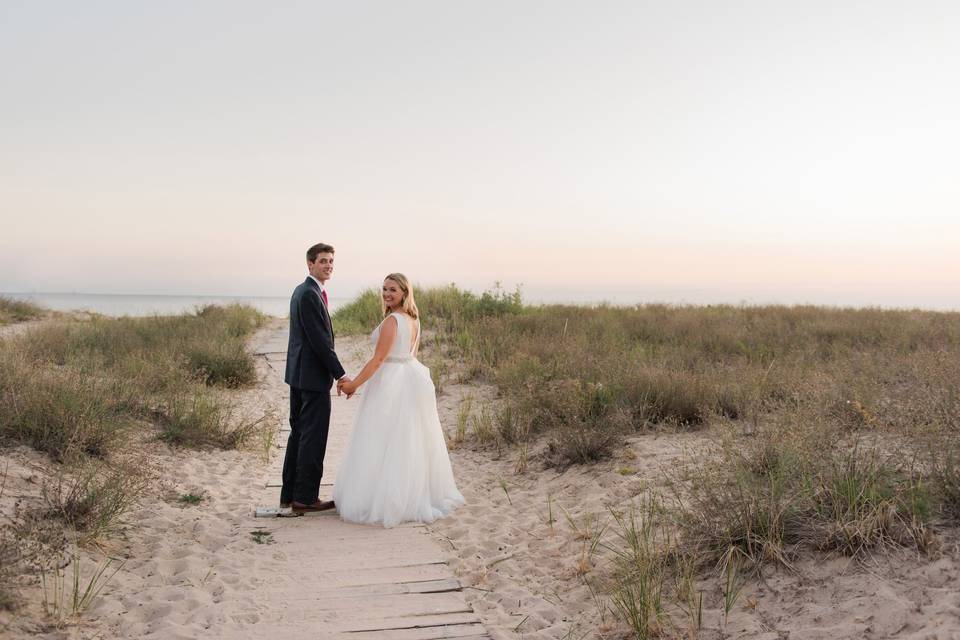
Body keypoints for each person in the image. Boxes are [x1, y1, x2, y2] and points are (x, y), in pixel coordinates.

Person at [334, 274, 464, 527]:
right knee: (405, 439)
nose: (386, 294)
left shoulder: (394, 320)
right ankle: (406, 496)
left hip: (392, 381)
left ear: (405, 292)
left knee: (381, 438)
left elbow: (379, 359)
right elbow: (410, 355)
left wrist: (353, 385)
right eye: (384, 289)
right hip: (410, 377)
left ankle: (384, 499)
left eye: (392, 289)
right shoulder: (413, 319)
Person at [281, 243, 351, 514]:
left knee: (299, 434)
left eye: (331, 261)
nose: (328, 265)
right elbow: (320, 342)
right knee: (312, 437)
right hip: (311, 379)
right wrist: (341, 374)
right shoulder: (309, 293)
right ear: (310, 264)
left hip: (299, 376)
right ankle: (306, 498)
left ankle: (290, 495)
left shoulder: (305, 291)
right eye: (323, 261)